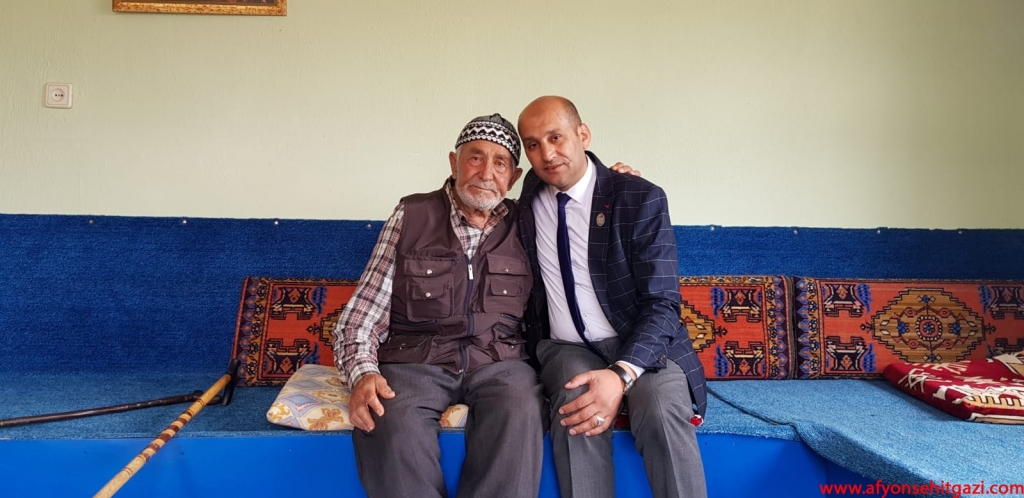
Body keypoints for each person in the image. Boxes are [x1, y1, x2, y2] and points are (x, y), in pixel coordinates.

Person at [331, 114, 544, 498]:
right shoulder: (411, 215)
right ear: (453, 162)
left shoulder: (527, 222)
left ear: (513, 178)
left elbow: (581, 215)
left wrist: (613, 185)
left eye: (500, 163)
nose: (486, 172)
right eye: (475, 157)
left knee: (522, 408)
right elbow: (362, 313)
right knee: (389, 418)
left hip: (500, 361)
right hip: (415, 360)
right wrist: (362, 373)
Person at [516, 96, 709, 498]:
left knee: (659, 410)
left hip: (641, 343)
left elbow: (663, 304)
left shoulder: (638, 197)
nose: (546, 154)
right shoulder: (527, 199)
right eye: (533, 144)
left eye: (556, 137)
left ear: (583, 135)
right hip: (566, 347)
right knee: (576, 407)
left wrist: (620, 375)